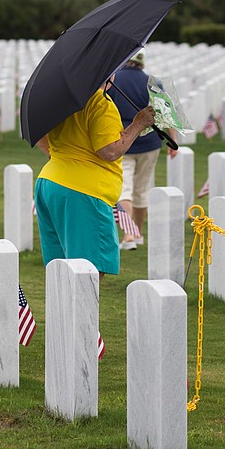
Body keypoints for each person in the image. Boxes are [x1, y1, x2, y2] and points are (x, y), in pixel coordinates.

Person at [34, 74, 156, 277]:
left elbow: (39, 134)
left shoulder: (60, 100)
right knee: (88, 272)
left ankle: (62, 310)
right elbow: (109, 151)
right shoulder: (99, 103)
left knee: (60, 270)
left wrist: (60, 156)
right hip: (84, 192)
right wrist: (138, 124)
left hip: (50, 183)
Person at [108, 48, 177, 251]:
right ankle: (137, 232)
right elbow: (167, 113)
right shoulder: (153, 83)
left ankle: (129, 234)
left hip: (124, 142)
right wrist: (172, 141)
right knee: (141, 190)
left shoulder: (113, 81)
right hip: (150, 144)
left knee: (124, 190)